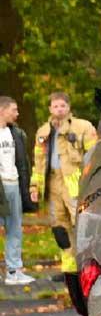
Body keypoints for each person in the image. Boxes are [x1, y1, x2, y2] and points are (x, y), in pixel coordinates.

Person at [31, 92, 98, 301]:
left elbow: (94, 155)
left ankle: (88, 267)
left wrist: (92, 181)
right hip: (53, 185)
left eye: (62, 105)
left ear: (68, 107)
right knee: (60, 229)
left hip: (75, 184)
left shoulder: (83, 127)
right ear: (50, 109)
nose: (59, 109)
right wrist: (34, 186)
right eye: (55, 106)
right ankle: (69, 270)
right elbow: (38, 162)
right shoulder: (43, 131)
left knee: (82, 225)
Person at [0, 98, 31, 285]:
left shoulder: (16, 133)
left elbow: (22, 163)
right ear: (2, 110)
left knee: (14, 229)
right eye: (14, 110)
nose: (17, 113)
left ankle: (13, 272)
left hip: (14, 185)